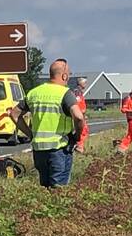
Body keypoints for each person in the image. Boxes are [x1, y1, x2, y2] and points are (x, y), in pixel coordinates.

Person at [9, 59, 86, 188]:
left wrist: (30, 134)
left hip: (39, 151)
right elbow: (78, 117)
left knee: (45, 187)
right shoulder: (65, 93)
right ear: (64, 76)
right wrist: (77, 136)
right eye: (69, 74)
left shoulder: (34, 93)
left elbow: (14, 114)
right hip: (59, 149)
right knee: (59, 189)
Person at [72, 76, 89, 153]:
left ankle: (79, 145)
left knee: (84, 130)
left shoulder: (79, 92)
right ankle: (79, 146)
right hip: (79, 114)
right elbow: (77, 103)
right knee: (82, 130)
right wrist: (80, 113)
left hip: (81, 114)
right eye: (84, 82)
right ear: (80, 83)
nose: (85, 84)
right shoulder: (77, 92)